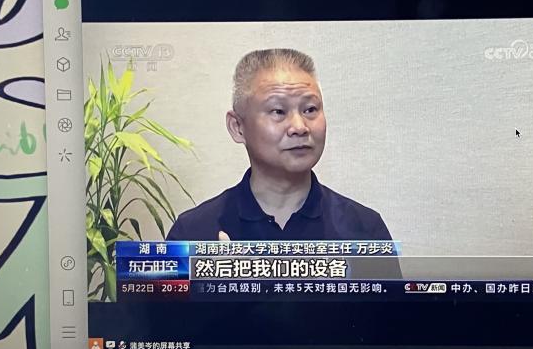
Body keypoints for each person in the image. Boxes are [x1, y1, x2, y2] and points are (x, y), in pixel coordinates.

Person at [166, 49, 393, 241]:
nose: (299, 127)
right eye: (278, 111)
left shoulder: (365, 231)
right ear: (237, 127)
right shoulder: (192, 233)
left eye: (310, 109)